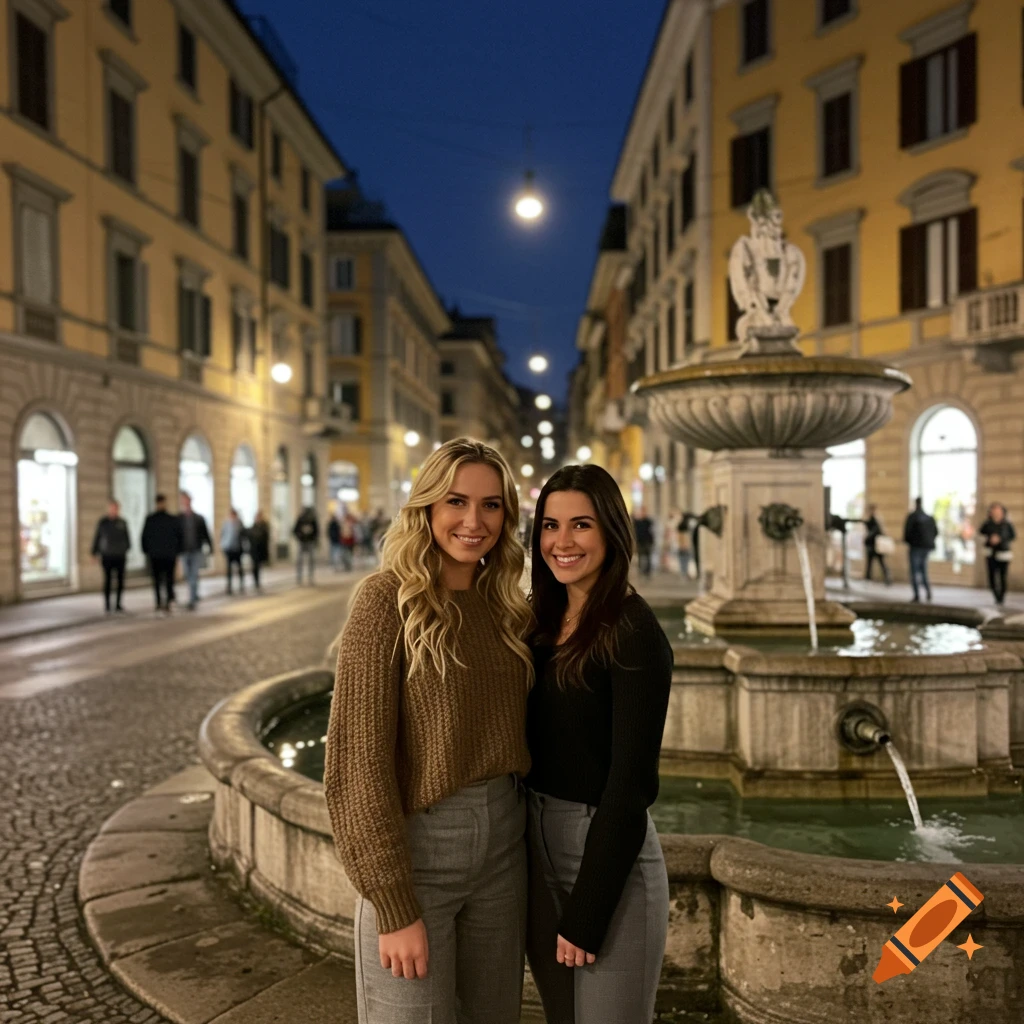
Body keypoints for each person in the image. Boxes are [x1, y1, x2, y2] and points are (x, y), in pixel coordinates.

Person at [323, 438, 534, 1024]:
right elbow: (355, 763)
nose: (474, 521)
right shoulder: (385, 600)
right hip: (420, 854)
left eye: (491, 505)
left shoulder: (507, 606)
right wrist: (392, 904)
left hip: (504, 852)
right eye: (456, 502)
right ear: (427, 509)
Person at [525, 463, 673, 1023]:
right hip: (535, 850)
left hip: (606, 858)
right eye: (550, 525)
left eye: (581, 525)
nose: (561, 542)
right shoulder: (541, 619)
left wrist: (589, 911)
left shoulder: (632, 629)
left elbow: (631, 785)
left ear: (612, 530)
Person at [141, 494, 182, 613]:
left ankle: (166, 601)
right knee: (159, 580)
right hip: (159, 555)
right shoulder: (152, 519)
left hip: (166, 555)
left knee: (167, 579)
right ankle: (160, 601)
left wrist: (177, 551)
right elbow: (145, 536)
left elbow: (179, 536)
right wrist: (146, 550)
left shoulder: (170, 519)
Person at [91, 499, 131, 613]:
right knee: (107, 580)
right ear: (109, 509)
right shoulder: (103, 522)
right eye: (112, 508)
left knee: (120, 581)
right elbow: (97, 538)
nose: (114, 510)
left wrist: (126, 548)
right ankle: (108, 605)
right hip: (107, 555)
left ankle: (118, 604)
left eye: (116, 508)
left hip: (120, 555)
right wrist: (94, 553)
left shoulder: (122, 522)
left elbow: (127, 538)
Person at [179, 491, 213, 611]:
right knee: (188, 575)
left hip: (196, 550)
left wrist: (210, 547)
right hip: (184, 551)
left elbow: (206, 534)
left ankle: (192, 599)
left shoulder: (199, 518)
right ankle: (193, 594)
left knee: (194, 574)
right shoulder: (180, 518)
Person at [979, 502, 1016, 606]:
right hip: (991, 552)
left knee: (1002, 576)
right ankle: (996, 596)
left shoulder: (1007, 524)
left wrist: (1000, 539)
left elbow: (1012, 536)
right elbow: (981, 533)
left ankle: (1001, 597)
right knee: (991, 575)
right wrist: (990, 538)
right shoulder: (987, 524)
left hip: (1003, 552)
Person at [903, 498, 938, 603]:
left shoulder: (912, 517)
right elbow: (936, 532)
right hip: (926, 548)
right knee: (924, 571)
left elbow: (906, 533)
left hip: (915, 548)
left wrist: (911, 542)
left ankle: (917, 595)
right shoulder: (929, 518)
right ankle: (928, 592)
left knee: (914, 572)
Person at [863, 504, 892, 585]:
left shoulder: (875, 520)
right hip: (873, 545)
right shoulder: (875, 519)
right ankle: (868, 578)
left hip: (875, 545)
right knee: (873, 563)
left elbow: (874, 532)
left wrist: (867, 539)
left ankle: (886, 578)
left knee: (879, 563)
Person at [220, 509, 245, 594]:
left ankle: (241, 585)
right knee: (229, 569)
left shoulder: (240, 523)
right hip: (229, 549)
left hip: (237, 549)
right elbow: (223, 535)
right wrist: (223, 546)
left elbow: (243, 536)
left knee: (239, 568)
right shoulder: (226, 523)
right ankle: (229, 586)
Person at [293, 506, 319, 584]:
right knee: (300, 560)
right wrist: (300, 536)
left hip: (310, 542)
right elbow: (295, 530)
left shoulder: (312, 519)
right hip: (302, 542)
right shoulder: (300, 519)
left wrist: (313, 538)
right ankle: (299, 577)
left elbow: (316, 531)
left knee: (310, 560)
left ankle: (310, 577)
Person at [247, 510, 270, 594]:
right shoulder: (253, 527)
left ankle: (257, 582)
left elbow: (266, 539)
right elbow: (248, 536)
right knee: (255, 567)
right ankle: (256, 582)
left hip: (260, 550)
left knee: (258, 566)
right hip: (254, 550)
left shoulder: (264, 526)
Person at [633, 506, 655, 577]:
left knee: (648, 556)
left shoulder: (648, 521)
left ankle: (647, 571)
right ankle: (641, 570)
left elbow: (652, 530)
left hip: (647, 541)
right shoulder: (637, 522)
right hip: (640, 541)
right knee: (640, 556)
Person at [676, 511, 693, 578]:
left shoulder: (684, 524)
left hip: (684, 545)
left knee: (684, 559)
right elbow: (681, 536)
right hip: (683, 545)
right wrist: (682, 544)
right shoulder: (683, 525)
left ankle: (684, 572)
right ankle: (684, 572)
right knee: (684, 559)